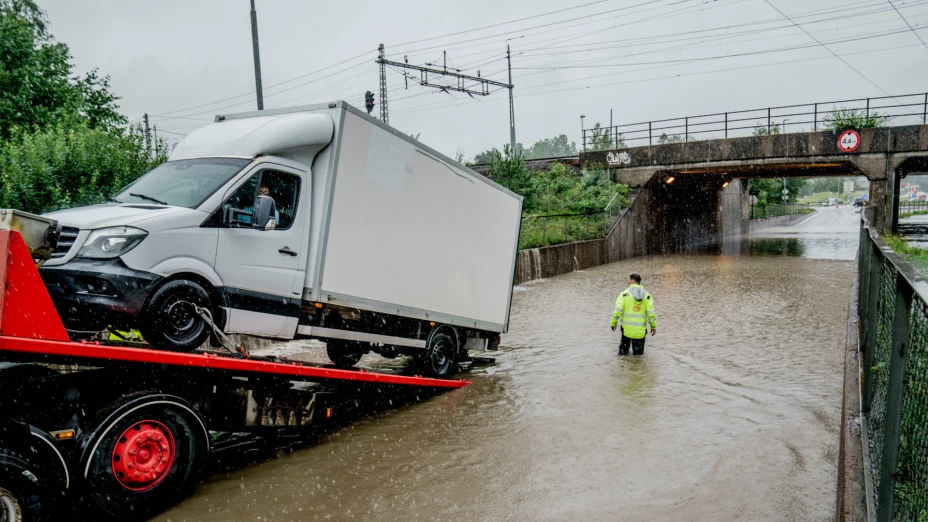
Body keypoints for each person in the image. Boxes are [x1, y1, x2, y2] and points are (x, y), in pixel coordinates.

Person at [610, 273, 656, 355]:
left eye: (629, 280)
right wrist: (653, 326)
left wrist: (613, 322)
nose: (628, 281)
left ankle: (623, 367)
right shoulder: (647, 296)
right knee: (638, 358)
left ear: (632, 281)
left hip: (626, 330)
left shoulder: (624, 294)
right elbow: (651, 314)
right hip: (640, 332)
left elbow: (617, 310)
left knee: (623, 355)